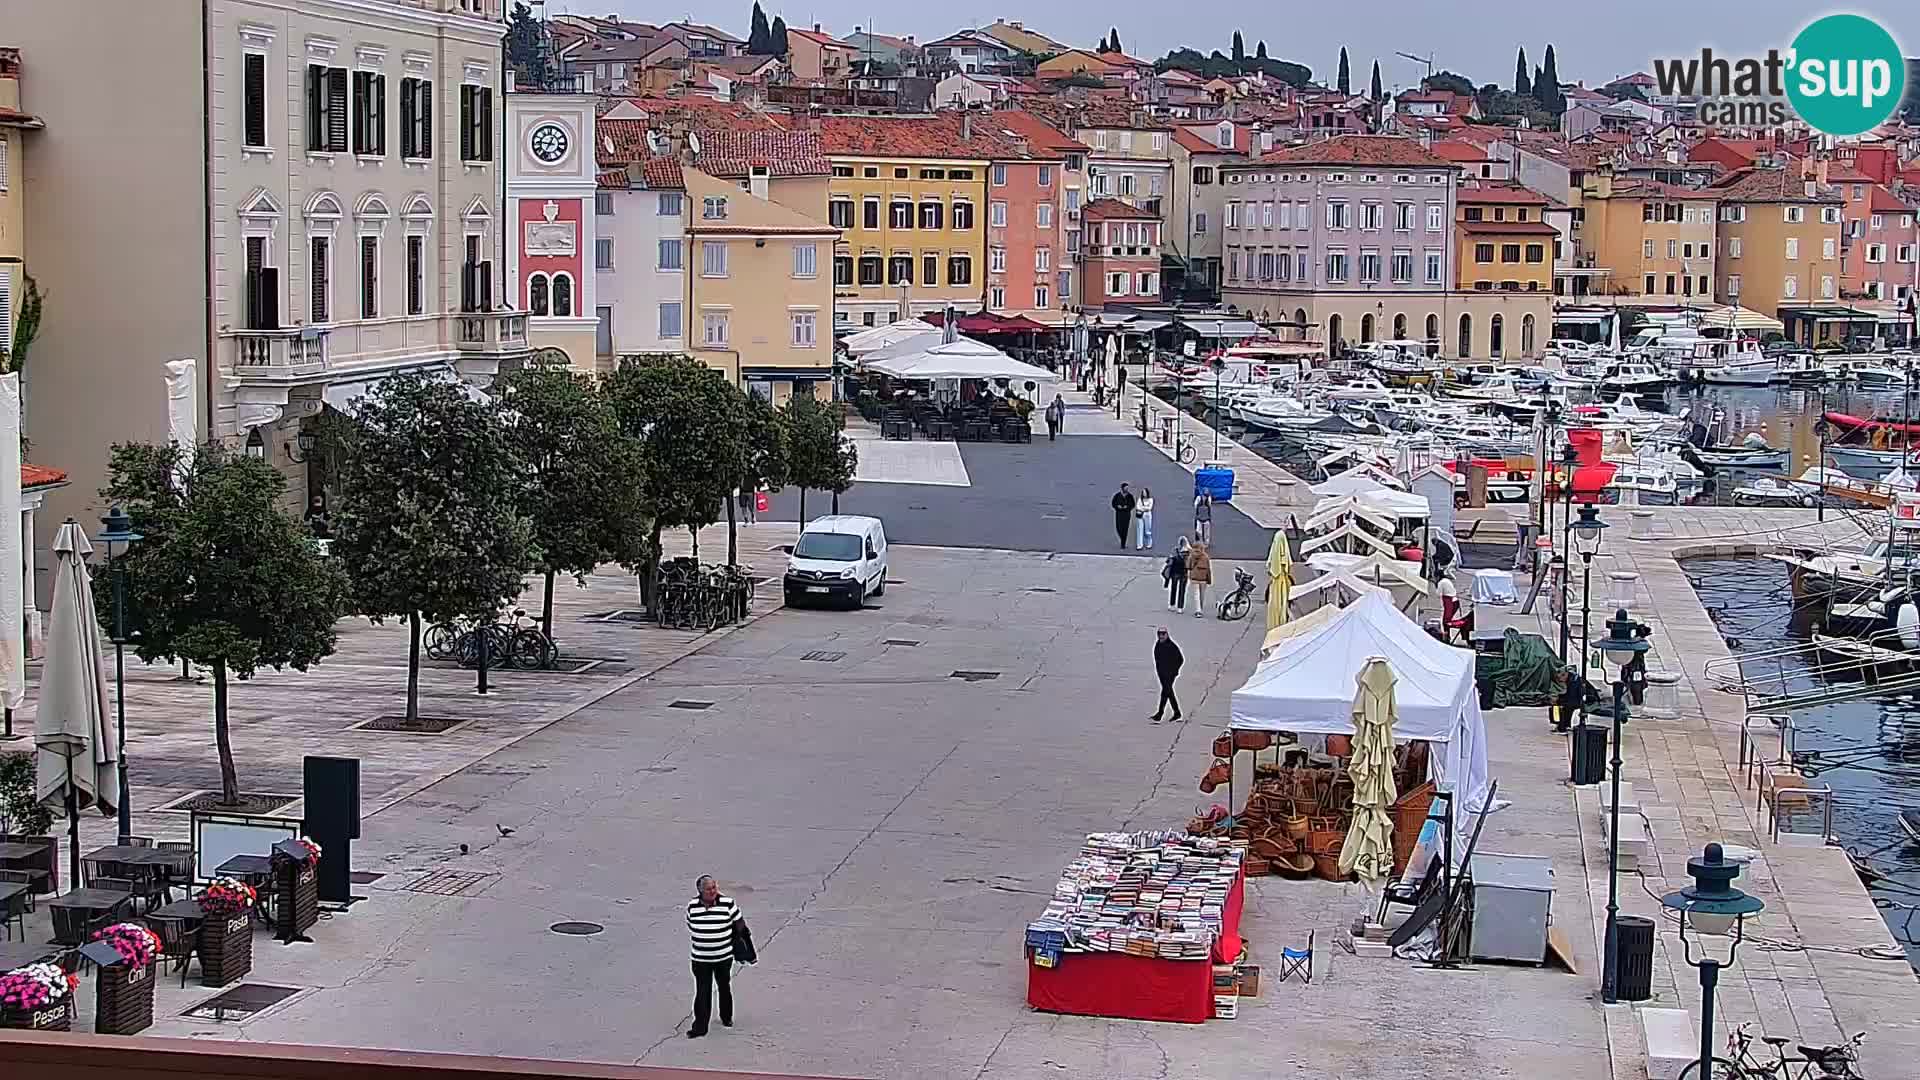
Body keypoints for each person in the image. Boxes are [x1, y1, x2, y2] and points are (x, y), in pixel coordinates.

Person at [686, 875, 742, 1038]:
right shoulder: (692, 906)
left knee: (724, 986)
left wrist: (740, 943)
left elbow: (739, 923)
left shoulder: (728, 903)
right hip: (700, 958)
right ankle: (700, 1027)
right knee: (703, 991)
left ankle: (726, 1017)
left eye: (714, 887)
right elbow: (691, 925)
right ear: (700, 891)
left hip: (723, 957)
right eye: (709, 889)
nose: (713, 891)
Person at [1151, 627, 1184, 722]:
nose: (1161, 636)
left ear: (1167, 635)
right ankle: (1176, 713)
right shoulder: (1158, 645)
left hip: (1170, 674)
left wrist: (1174, 671)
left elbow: (1180, 659)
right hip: (1162, 674)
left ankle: (1160, 713)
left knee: (1165, 692)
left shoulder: (1171, 646)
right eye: (1159, 634)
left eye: (1163, 634)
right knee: (1168, 692)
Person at [1186, 539, 1213, 618]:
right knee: (1202, 594)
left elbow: (1188, 566)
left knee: (1196, 594)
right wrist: (1209, 580)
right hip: (1203, 579)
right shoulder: (1206, 557)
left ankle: (1198, 610)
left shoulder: (1191, 556)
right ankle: (1200, 608)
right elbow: (1208, 569)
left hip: (1194, 578)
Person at [1164, 537, 1191, 612]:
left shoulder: (1175, 550)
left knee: (1173, 588)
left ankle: (1172, 605)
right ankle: (1180, 607)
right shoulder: (1189, 552)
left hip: (1175, 572)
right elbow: (1191, 564)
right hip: (1184, 573)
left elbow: (1168, 561)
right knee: (1182, 590)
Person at [1111, 483, 1136, 548]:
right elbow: (1113, 503)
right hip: (1119, 514)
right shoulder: (1117, 495)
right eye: (1126, 488)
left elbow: (1133, 504)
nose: (1127, 489)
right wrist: (1117, 506)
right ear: (1122, 488)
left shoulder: (1130, 496)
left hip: (1126, 514)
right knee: (1118, 528)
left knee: (1125, 529)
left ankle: (1123, 544)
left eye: (1127, 488)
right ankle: (1122, 538)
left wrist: (1127, 507)